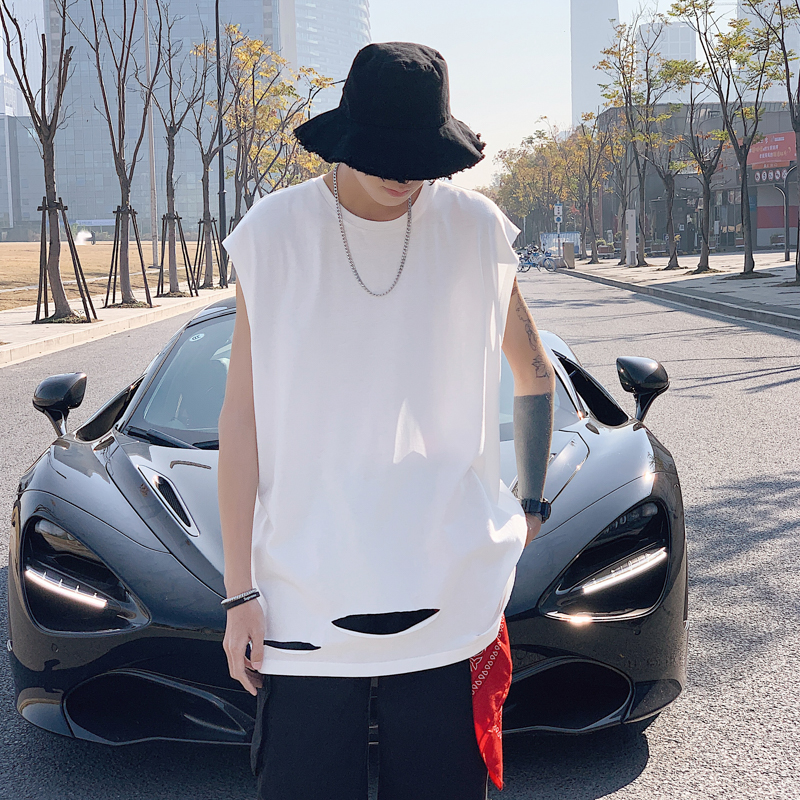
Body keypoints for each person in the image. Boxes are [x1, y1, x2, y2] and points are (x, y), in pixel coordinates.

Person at [218, 41, 555, 800]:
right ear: (347, 137)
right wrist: (238, 594)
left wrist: (531, 499)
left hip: (449, 594)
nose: (404, 176)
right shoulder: (274, 233)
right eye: (385, 156)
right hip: (302, 597)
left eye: (420, 160)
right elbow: (240, 420)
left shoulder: (475, 227)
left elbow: (534, 373)